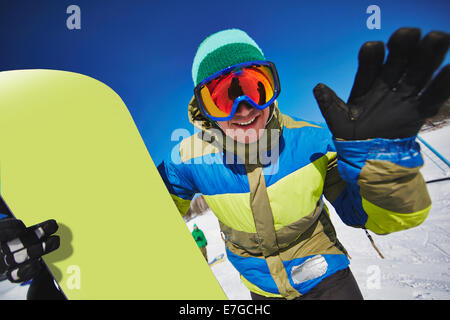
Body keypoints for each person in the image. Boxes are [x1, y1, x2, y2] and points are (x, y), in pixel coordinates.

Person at [157, 28, 450, 300]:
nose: (244, 108)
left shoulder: (312, 142)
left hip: (327, 280)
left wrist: (382, 169)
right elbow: (148, 215)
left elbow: (367, 216)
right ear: (204, 111)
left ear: (273, 88)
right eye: (223, 98)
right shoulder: (189, 159)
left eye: (255, 88)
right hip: (262, 290)